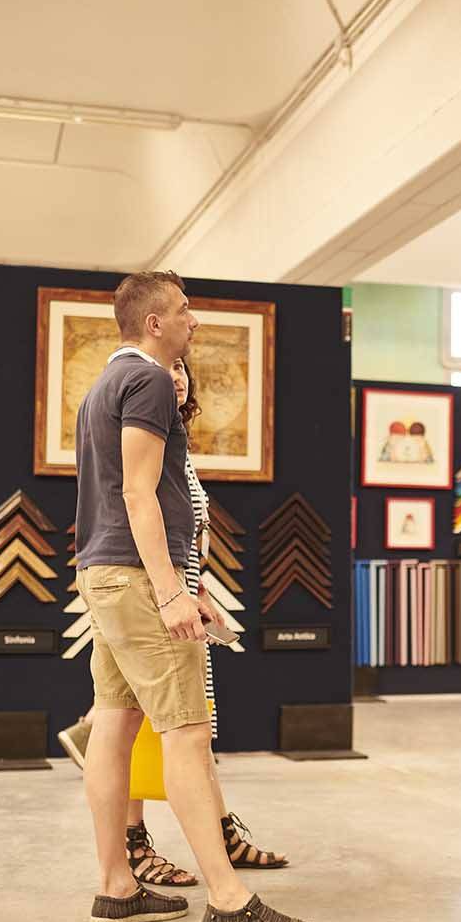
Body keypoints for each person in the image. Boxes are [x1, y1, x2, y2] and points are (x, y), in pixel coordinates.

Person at [72, 270, 313, 922]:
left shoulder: (102, 385)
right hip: (137, 578)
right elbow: (139, 493)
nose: (194, 320)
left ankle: (117, 887)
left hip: (105, 574)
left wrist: (182, 582)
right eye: (184, 310)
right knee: (186, 733)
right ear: (154, 323)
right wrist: (172, 589)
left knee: (113, 725)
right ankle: (229, 901)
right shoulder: (148, 379)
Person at [57, 356, 289, 889]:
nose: (177, 376)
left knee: (150, 724)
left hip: (167, 587)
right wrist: (170, 591)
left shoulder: (170, 441)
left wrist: (195, 586)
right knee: (170, 729)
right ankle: (208, 884)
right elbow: (137, 503)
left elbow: (179, 523)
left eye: (184, 370)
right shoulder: (142, 420)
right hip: (151, 589)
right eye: (172, 366)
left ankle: (131, 874)